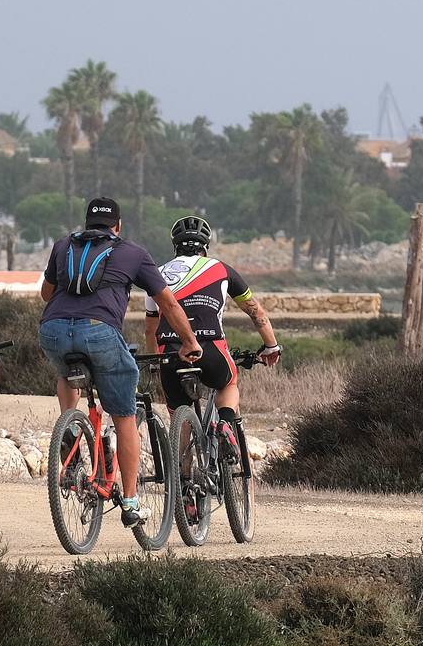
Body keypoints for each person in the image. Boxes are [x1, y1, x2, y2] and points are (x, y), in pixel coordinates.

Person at [39, 197, 203, 526]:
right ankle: (130, 503)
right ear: (118, 225)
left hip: (53, 331)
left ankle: (70, 427)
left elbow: (46, 293)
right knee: (126, 418)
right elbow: (167, 304)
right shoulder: (132, 252)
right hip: (100, 332)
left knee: (66, 371)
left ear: (87, 223)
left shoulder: (63, 246)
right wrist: (189, 342)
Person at [143, 215, 280, 453]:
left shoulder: (157, 274)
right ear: (206, 246)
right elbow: (257, 313)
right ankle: (226, 423)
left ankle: (183, 481)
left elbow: (150, 329)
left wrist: (155, 361)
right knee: (228, 384)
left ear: (175, 245)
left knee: (179, 415)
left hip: (170, 352)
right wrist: (271, 346)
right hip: (210, 347)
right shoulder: (220, 269)